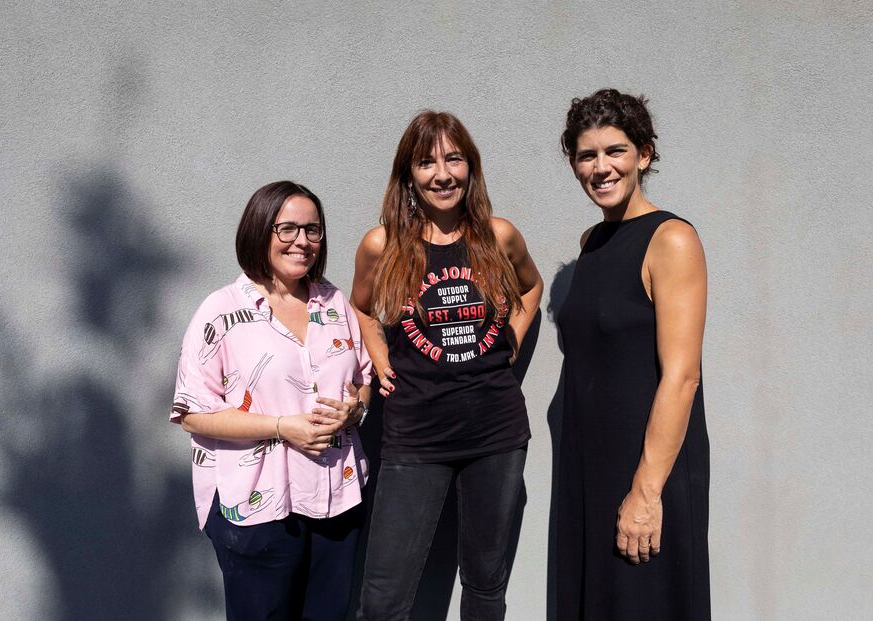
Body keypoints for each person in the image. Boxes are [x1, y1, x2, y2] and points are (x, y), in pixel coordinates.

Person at [351, 111, 543, 620]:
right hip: (415, 434)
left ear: (470, 167)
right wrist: (378, 353)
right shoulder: (383, 244)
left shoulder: (498, 236)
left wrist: (513, 338)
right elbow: (361, 309)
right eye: (426, 162)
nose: (442, 174)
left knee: (484, 585)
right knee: (383, 599)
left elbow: (530, 287)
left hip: (495, 433)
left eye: (453, 159)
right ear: (408, 175)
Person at [169, 181, 372, 621]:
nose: (303, 241)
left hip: (336, 497)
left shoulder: (334, 302)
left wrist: (355, 407)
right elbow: (193, 414)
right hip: (257, 506)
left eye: (313, 230)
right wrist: (283, 426)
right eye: (288, 229)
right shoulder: (220, 312)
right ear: (260, 231)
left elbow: (363, 380)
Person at [555, 88, 711, 619]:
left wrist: (646, 493)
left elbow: (683, 376)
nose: (601, 167)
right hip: (589, 466)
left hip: (648, 467)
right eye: (587, 155)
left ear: (644, 154)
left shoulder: (671, 240)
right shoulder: (591, 242)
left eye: (615, 151)